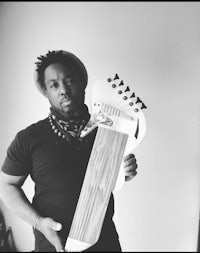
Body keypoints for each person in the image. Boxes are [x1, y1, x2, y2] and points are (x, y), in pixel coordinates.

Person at [0, 50, 138, 252]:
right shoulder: (29, 138)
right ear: (46, 92)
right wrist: (39, 222)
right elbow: (6, 186)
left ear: (82, 83)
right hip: (53, 243)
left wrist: (124, 173)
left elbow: (109, 180)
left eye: (69, 80)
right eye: (54, 85)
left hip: (103, 241)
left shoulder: (109, 129)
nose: (63, 90)